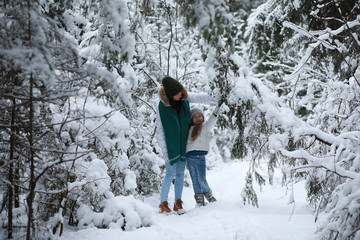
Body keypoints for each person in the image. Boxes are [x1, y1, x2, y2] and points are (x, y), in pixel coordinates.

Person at [156, 76, 216, 214]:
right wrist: (165, 150)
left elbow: (201, 98)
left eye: (181, 92)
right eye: (177, 93)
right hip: (170, 147)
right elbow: (160, 130)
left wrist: (218, 98)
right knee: (170, 174)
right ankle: (163, 203)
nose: (181, 94)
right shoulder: (162, 106)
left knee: (180, 174)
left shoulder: (184, 99)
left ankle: (178, 203)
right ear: (170, 94)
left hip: (183, 146)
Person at [186, 106, 219, 206]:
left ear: (203, 118)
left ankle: (209, 196)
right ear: (191, 119)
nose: (197, 118)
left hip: (200, 158)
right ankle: (199, 201)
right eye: (195, 116)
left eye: (199, 116)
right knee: (195, 181)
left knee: (201, 179)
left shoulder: (205, 127)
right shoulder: (188, 129)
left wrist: (216, 111)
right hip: (189, 158)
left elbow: (212, 120)